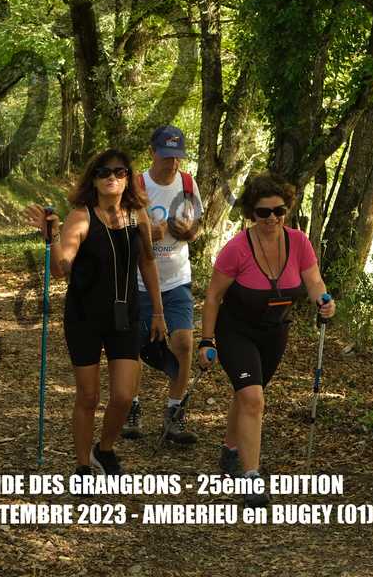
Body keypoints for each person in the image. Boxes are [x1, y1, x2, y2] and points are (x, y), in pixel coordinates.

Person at [26, 149, 166, 478]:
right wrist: (51, 237)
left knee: (124, 395)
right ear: (93, 179)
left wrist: (158, 311)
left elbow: (147, 261)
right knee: (88, 396)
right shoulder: (81, 217)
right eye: (103, 172)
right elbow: (61, 268)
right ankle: (82, 466)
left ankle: (104, 449)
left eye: (119, 172)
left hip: (126, 315)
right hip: (84, 316)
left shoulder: (138, 215)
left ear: (128, 179)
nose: (111, 177)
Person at [198, 173, 335, 508]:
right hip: (236, 331)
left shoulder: (298, 242)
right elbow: (213, 297)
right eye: (263, 212)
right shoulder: (236, 249)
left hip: (275, 332)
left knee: (248, 393)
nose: (272, 218)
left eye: (279, 210)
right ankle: (251, 476)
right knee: (253, 398)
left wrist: (324, 300)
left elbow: (313, 281)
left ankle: (230, 450)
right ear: (251, 213)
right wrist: (206, 340)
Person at [123, 125, 203, 445]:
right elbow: (120, 230)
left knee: (183, 342)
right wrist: (145, 234)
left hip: (177, 278)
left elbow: (197, 225)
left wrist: (187, 230)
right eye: (167, 156)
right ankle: (132, 407)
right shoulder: (137, 185)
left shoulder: (188, 183)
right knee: (135, 346)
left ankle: (175, 411)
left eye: (177, 157)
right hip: (139, 281)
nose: (173, 163)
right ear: (152, 152)